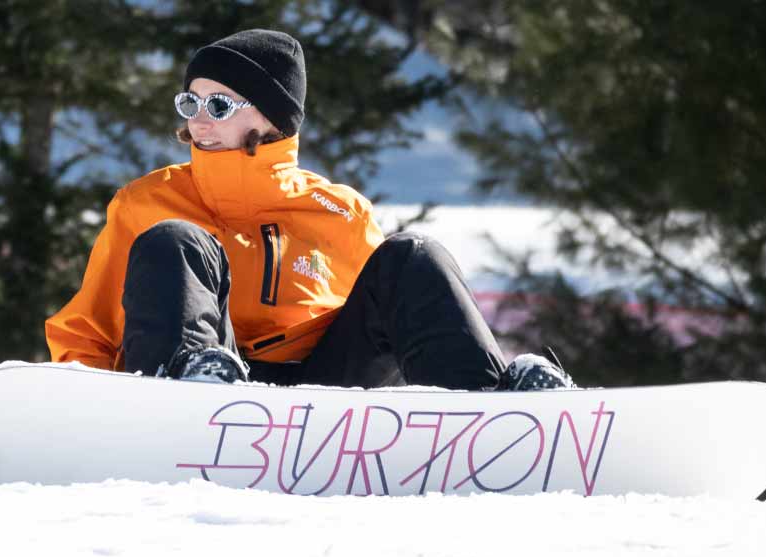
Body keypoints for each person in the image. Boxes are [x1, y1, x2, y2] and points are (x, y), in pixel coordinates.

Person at [44, 30, 573, 391]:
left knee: (414, 255)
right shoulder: (146, 202)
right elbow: (86, 329)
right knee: (173, 239)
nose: (199, 119)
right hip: (207, 395)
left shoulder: (339, 212)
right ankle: (186, 392)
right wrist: (85, 414)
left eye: (219, 104)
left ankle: (489, 410)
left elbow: (392, 316)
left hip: (323, 397)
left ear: (272, 118)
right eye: (191, 101)